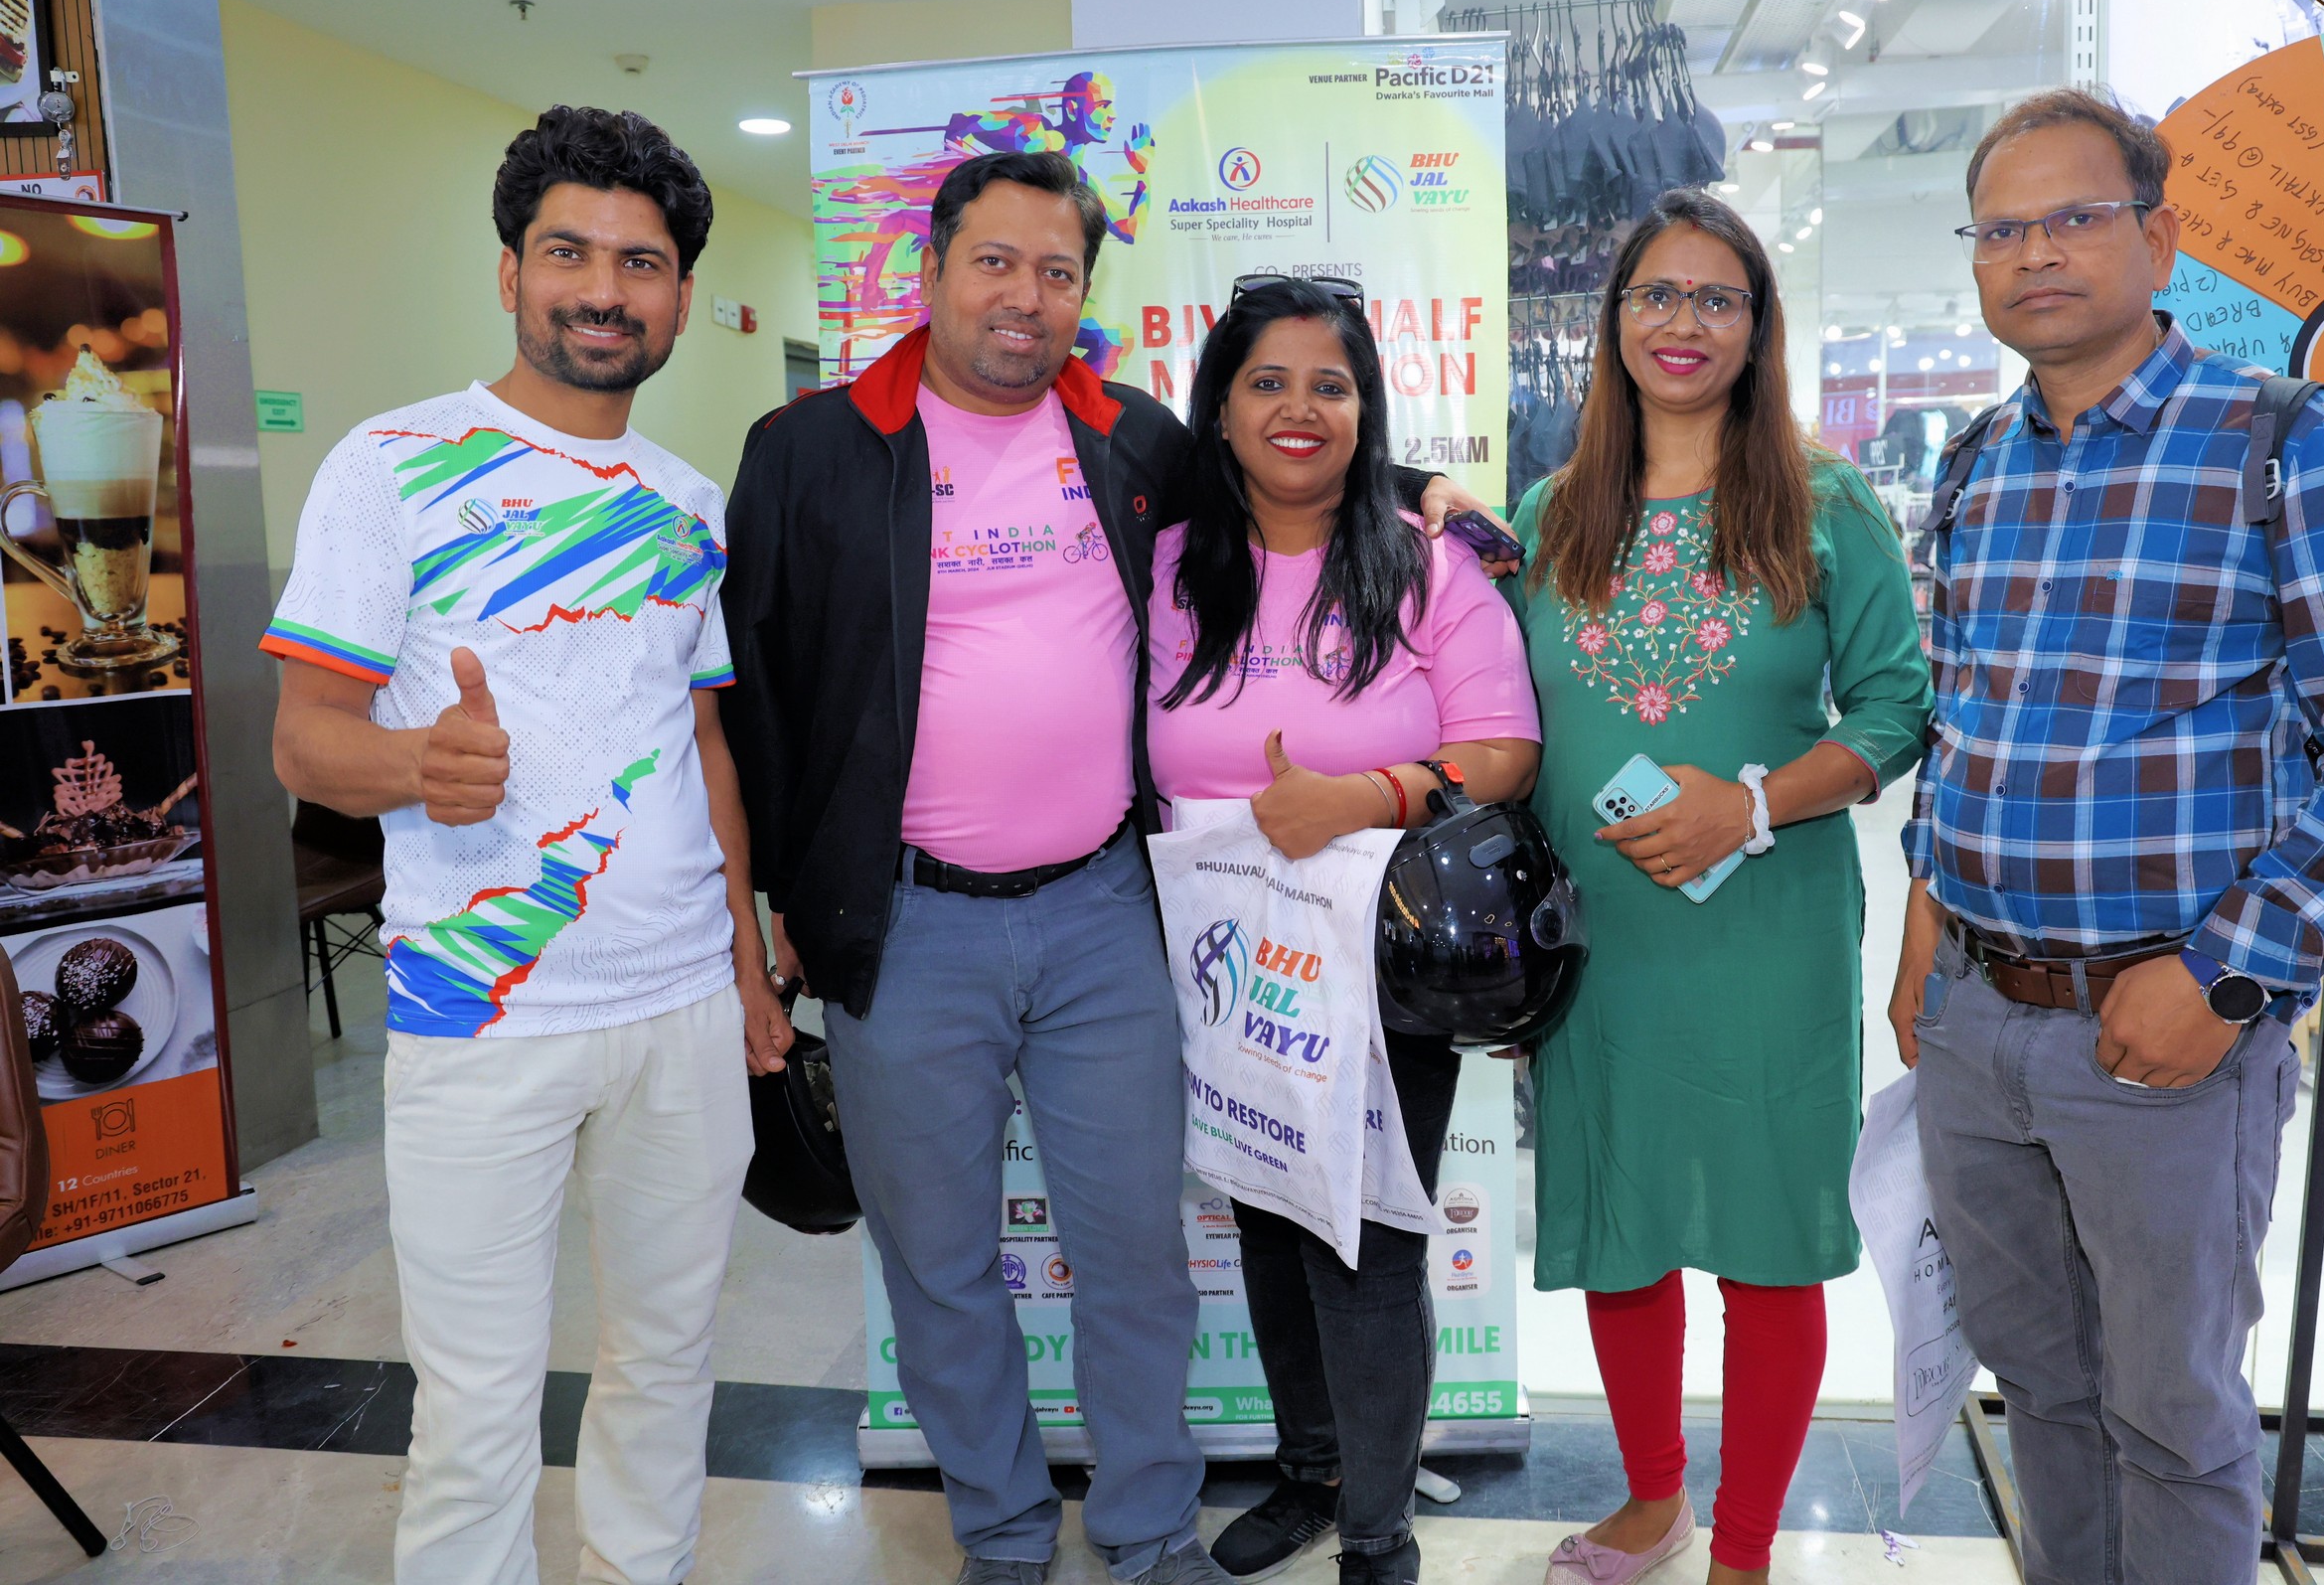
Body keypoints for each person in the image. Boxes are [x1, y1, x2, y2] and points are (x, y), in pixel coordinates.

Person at [718, 152, 1496, 1585]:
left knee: (1136, 1259)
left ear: (1085, 292)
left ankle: (1147, 1534)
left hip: (1107, 919)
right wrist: (777, 901)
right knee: (940, 1265)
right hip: (903, 922)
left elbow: (1286, 458)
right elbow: (754, 686)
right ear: (931, 271)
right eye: (995, 262)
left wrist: (1422, 486)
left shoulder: (1129, 437)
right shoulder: (809, 449)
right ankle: (1005, 1533)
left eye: (1057, 271)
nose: (1025, 296)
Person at [1889, 88, 2324, 1585]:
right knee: (2041, 1392)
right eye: (1999, 229)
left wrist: (2226, 976)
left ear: (2158, 239)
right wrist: (1927, 931)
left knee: (2174, 1417)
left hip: (2164, 1031)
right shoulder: (1975, 464)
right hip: (1977, 1021)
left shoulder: (2292, 445)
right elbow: (1965, 722)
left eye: (2073, 217)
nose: (2033, 253)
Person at [262, 105, 794, 1585]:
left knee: (668, 1366)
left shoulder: (689, 503)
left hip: (682, 1005)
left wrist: (747, 965)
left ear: (680, 297)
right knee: (477, 1409)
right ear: (510, 272)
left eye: (641, 263)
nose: (603, 291)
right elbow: (303, 740)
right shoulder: (391, 464)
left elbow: (702, 746)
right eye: (569, 253)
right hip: (478, 1012)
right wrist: (414, 765)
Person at [1507, 190, 1931, 1585]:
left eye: (1717, 297)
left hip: (1767, 932)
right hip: (1600, 946)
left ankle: (1743, 1548)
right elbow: (1509, 724)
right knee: (1618, 1229)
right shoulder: (1552, 516)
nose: (1683, 322)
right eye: (1657, 294)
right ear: (1613, 321)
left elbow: (1897, 710)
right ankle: (1653, 1503)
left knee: (1769, 1243)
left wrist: (1747, 804)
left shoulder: (1826, 503)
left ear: (1757, 327)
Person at [1147, 276, 1543, 1585]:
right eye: (1267, 381)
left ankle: (1377, 1529)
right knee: (1267, 1214)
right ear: (1220, 407)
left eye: (1331, 384)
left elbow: (1504, 751)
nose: (1299, 408)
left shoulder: (1426, 563)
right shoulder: (1168, 564)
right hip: (1220, 959)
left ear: (1367, 410)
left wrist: (1363, 796)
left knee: (1365, 1241)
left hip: (1383, 963)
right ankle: (1311, 1470)